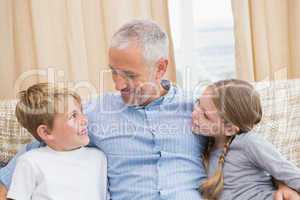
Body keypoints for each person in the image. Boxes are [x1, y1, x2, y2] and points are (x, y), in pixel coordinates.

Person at [0, 20, 297, 200]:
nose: (118, 84)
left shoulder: (199, 111)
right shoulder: (93, 113)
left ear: (160, 68)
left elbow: (243, 142)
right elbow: (42, 142)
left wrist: (283, 182)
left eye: (129, 75)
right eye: (113, 72)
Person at [192, 79, 300, 200]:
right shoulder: (205, 147)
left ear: (229, 129)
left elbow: (289, 173)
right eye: (198, 103)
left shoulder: (248, 143)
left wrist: (283, 186)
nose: (194, 113)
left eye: (205, 116)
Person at [6, 83, 107, 200]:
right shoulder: (30, 161)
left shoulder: (99, 158)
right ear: (46, 132)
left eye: (81, 112)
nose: (84, 120)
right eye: (73, 116)